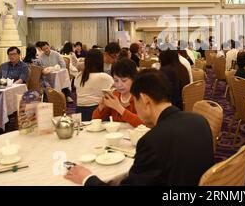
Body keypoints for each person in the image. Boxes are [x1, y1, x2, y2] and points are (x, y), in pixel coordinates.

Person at [65, 69, 214, 186]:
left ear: (144, 100)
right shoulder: (200, 121)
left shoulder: (152, 140)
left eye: (135, 101)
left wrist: (87, 178)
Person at [92, 59, 143, 127]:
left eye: (124, 81)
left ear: (134, 79)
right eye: (116, 80)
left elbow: (143, 124)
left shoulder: (140, 97)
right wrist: (101, 107)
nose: (119, 85)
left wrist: (118, 107)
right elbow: (95, 121)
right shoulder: (115, 95)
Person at [74, 49, 114, 121]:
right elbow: (114, 93)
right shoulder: (104, 77)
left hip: (78, 111)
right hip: (96, 110)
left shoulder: (79, 76)